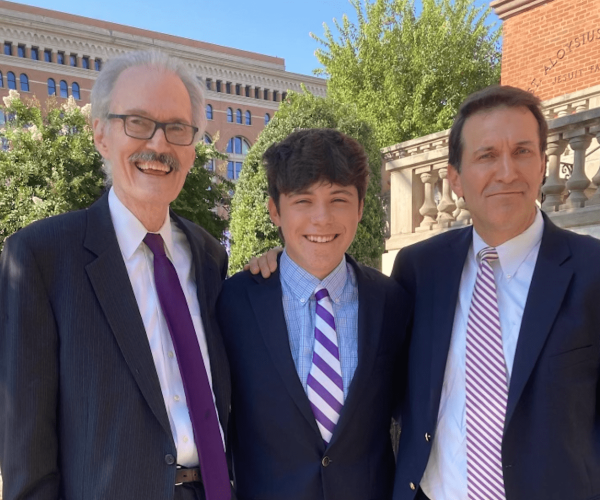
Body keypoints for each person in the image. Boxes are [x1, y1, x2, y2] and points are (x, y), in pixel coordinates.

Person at [0, 50, 233, 500]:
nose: (159, 145)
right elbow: (27, 454)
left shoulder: (208, 256)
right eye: (138, 122)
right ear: (101, 134)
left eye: (177, 129)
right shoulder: (39, 257)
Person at [391, 85, 600, 500]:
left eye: (522, 152)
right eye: (486, 156)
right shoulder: (419, 269)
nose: (507, 172)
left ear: (543, 164)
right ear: (455, 179)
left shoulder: (593, 270)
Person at [217, 128, 411, 500]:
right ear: (275, 210)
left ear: (360, 207)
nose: (321, 219)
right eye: (303, 201)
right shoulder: (233, 303)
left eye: (338, 199)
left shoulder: (392, 302)